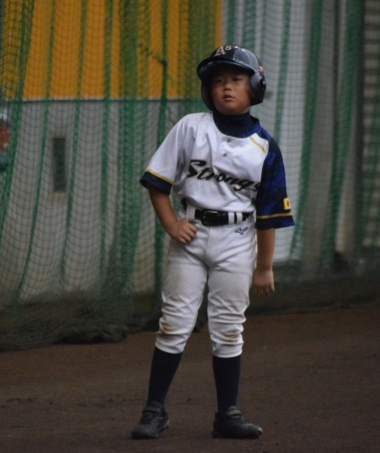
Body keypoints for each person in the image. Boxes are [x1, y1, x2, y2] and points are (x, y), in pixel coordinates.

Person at [132, 45, 295, 440]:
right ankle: (154, 411)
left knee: (228, 328)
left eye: (236, 79)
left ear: (255, 86)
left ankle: (228, 414)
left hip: (237, 241)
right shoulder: (191, 127)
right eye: (218, 81)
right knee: (174, 324)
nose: (226, 87)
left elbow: (269, 213)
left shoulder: (265, 146)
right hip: (191, 236)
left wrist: (264, 267)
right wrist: (171, 223)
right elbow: (157, 181)